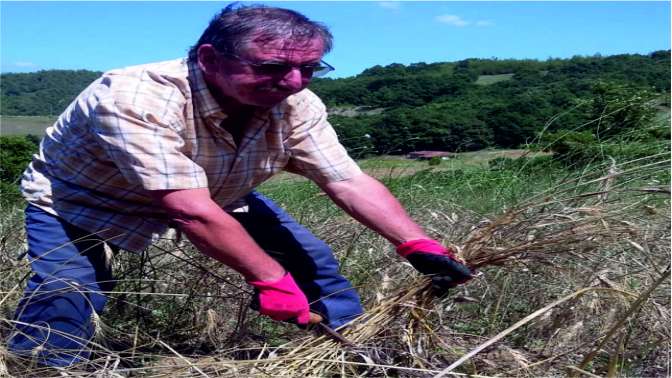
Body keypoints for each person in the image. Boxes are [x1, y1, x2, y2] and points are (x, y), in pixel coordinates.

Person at [8, 3, 472, 367]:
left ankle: (358, 353)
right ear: (210, 58)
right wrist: (269, 279)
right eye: (272, 67)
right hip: (85, 200)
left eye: (310, 68)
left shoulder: (296, 103)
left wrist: (414, 243)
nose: (292, 82)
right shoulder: (134, 96)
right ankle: (43, 366)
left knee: (314, 264)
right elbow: (188, 210)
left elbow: (346, 180)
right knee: (68, 288)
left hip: (216, 195)